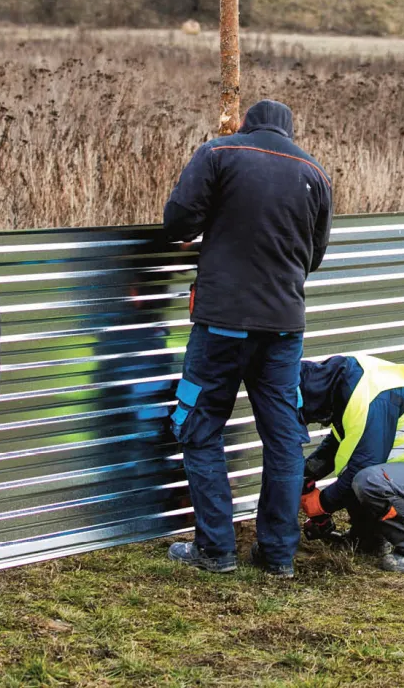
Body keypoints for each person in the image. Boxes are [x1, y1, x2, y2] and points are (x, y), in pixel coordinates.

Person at [161, 99, 332, 578]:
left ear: (245, 123)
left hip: (221, 324)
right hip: (284, 330)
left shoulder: (218, 153)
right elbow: (314, 257)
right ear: (289, 132)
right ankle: (277, 555)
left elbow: (177, 222)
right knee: (282, 440)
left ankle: (215, 550)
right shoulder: (314, 172)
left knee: (200, 426)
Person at [298, 354, 404, 573]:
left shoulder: (370, 399)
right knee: (358, 475)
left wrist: (322, 504)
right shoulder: (342, 385)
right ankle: (368, 540)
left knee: (367, 480)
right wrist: (304, 474)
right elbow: (335, 445)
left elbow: (363, 465)